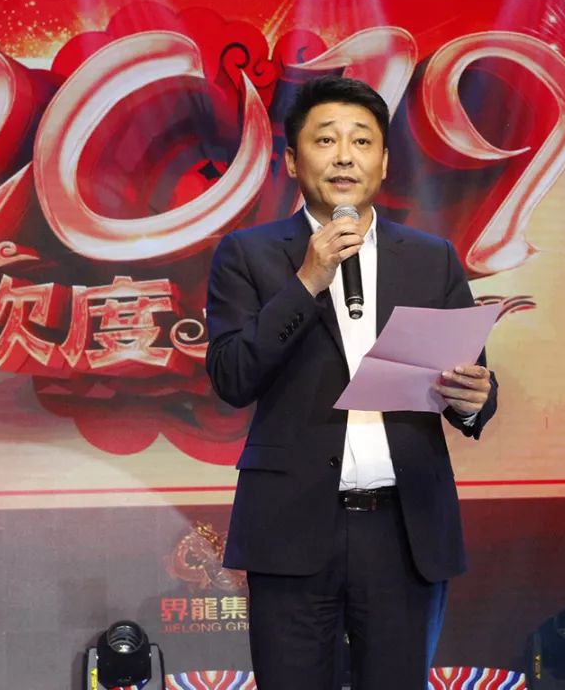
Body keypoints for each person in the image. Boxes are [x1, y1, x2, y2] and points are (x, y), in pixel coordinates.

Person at [205, 75, 497, 690]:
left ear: (384, 162)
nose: (344, 156)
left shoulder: (431, 258)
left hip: (404, 529)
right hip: (291, 526)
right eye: (326, 140)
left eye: (362, 141)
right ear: (292, 160)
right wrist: (307, 281)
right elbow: (232, 376)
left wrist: (475, 400)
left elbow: (467, 378)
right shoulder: (248, 254)